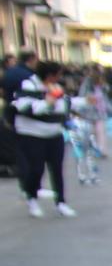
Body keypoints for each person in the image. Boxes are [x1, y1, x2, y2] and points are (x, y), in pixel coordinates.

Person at [14, 61, 71, 217]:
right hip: (33, 135)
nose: (60, 77)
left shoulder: (56, 87)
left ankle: (61, 202)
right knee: (36, 169)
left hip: (54, 134)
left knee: (57, 170)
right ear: (49, 75)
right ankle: (31, 198)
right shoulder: (28, 85)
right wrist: (47, 103)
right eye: (58, 74)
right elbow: (26, 108)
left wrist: (83, 102)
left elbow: (63, 106)